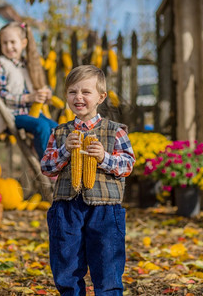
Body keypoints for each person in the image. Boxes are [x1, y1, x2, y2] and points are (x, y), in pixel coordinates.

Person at [41, 65, 136, 295]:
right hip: (66, 208)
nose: (79, 97)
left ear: (101, 97)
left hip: (105, 209)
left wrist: (104, 157)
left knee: (107, 264)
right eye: (73, 92)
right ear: (66, 96)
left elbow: (127, 165)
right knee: (66, 264)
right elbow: (47, 167)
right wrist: (64, 151)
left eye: (86, 92)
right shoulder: (59, 132)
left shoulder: (116, 131)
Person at [0, 21, 58, 159]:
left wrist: (43, 96)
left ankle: (59, 159)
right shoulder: (1, 64)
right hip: (11, 114)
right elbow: (1, 95)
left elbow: (30, 91)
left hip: (29, 112)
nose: (9, 47)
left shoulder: (26, 65)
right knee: (41, 126)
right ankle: (47, 164)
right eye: (5, 43)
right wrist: (28, 98)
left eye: (12, 42)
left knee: (57, 129)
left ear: (23, 43)